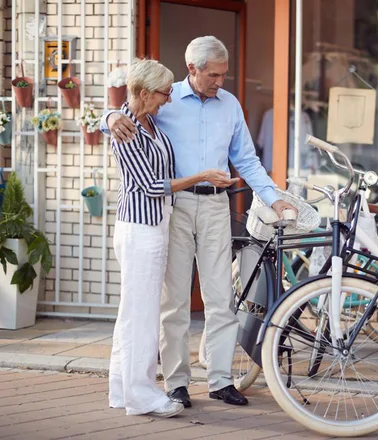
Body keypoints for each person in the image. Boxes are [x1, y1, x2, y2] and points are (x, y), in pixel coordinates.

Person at [103, 36, 297, 408]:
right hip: (173, 207)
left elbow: (248, 160)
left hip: (215, 209)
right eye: (213, 75)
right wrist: (107, 116)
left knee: (221, 296)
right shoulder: (165, 97)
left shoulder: (230, 105)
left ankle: (221, 379)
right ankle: (176, 382)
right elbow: (126, 118)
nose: (219, 82)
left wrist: (275, 197)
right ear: (192, 69)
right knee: (173, 300)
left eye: (224, 75)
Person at [109, 59, 232, 418]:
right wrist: (202, 175)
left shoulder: (144, 120)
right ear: (145, 93)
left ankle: (121, 389)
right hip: (140, 228)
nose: (168, 100)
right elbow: (151, 186)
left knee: (132, 313)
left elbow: (116, 110)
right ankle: (142, 396)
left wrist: (108, 115)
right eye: (164, 93)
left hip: (153, 227)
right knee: (142, 316)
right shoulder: (129, 129)